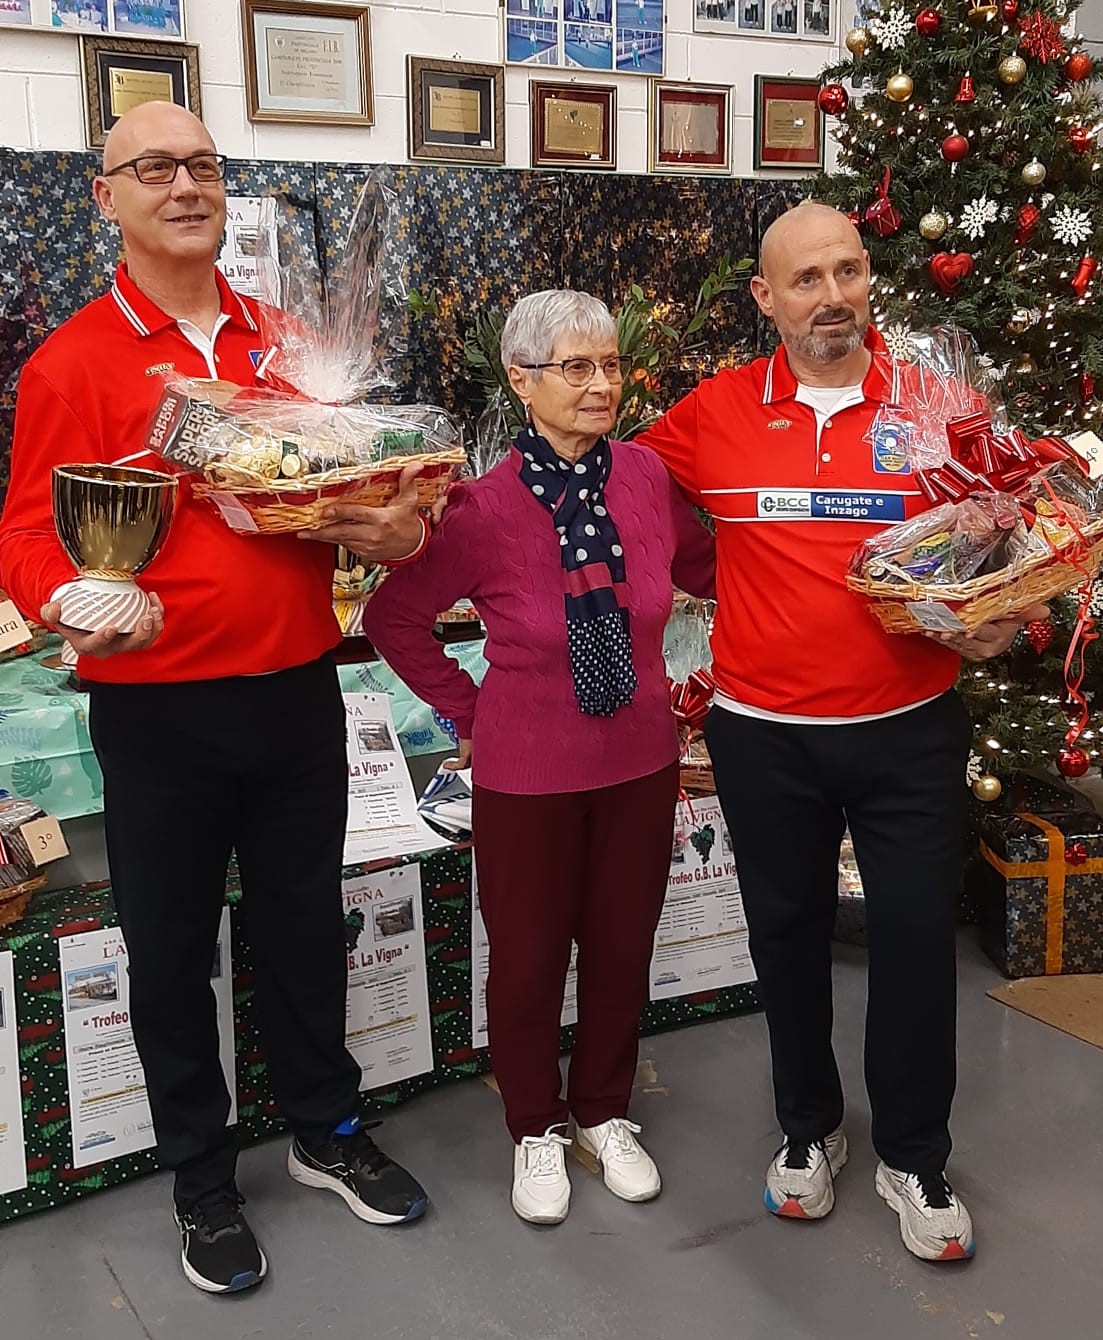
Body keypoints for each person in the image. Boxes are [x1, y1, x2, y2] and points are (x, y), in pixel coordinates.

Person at [0, 101, 431, 1296]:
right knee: (170, 950)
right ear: (108, 196)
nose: (183, 184)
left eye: (201, 164)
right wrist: (69, 598)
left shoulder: (288, 341)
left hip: (295, 688)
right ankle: (200, 1173)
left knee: (304, 927)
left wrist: (395, 522)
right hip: (156, 711)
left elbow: (369, 486)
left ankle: (327, 1130)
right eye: (154, 167)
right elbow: (28, 530)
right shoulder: (73, 360)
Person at [637, 201, 1047, 1263]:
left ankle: (912, 1154)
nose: (831, 296)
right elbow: (629, 498)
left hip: (905, 729)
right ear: (763, 298)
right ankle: (806, 1129)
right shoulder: (713, 411)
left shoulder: (938, 403)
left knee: (914, 941)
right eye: (804, 279)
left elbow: (1020, 526)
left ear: (868, 278)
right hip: (761, 734)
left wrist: (1003, 613)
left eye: (847, 269)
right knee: (783, 940)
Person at [365, 290, 715, 1226]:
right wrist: (471, 710)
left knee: (619, 945)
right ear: (521, 380)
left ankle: (603, 1112)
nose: (601, 385)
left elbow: (711, 570)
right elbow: (391, 618)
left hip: (641, 758)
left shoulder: (645, 479)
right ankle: (534, 1125)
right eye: (575, 368)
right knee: (524, 959)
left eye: (610, 366)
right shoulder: (476, 508)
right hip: (526, 773)